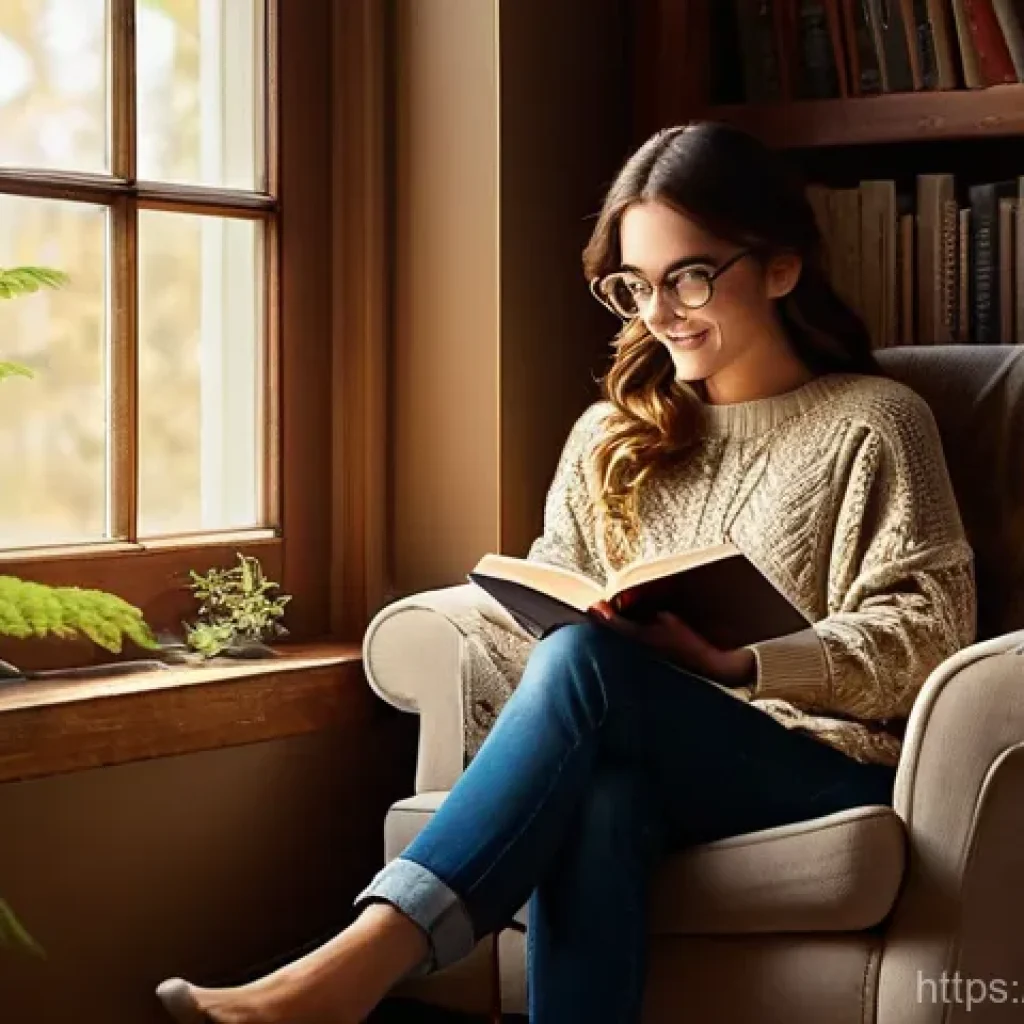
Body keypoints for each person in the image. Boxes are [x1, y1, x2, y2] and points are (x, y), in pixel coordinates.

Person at [156, 122, 976, 1024]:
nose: (659, 313)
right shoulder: (609, 436)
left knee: (592, 670)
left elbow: (927, 633)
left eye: (689, 277)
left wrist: (736, 664)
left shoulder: (875, 423)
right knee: (602, 791)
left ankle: (357, 964)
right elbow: (556, 594)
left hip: (815, 762)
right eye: (633, 287)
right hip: (643, 749)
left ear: (780, 267)